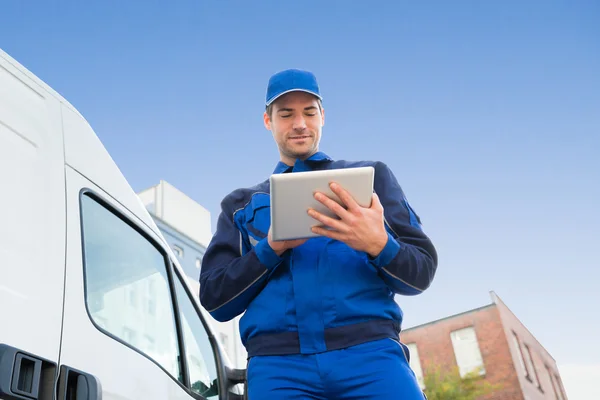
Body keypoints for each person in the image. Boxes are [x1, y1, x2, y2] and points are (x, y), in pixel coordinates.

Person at [200, 69, 438, 399]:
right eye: (286, 114)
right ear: (268, 121)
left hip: (371, 357)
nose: (299, 123)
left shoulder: (372, 181)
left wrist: (378, 244)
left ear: (322, 116)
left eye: (309, 112)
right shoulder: (241, 205)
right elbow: (215, 299)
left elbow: (421, 272)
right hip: (278, 368)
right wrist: (271, 248)